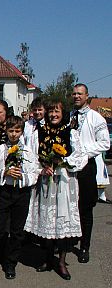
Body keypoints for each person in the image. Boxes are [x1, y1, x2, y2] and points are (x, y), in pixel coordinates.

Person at [24, 98, 87, 280]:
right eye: (51, 111)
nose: (53, 114)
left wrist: (64, 162)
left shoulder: (71, 131)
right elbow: (31, 156)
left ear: (62, 113)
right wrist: (41, 169)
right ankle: (47, 258)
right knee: (47, 222)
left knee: (62, 221)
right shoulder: (39, 132)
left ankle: (61, 262)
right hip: (45, 182)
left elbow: (81, 156)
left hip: (64, 183)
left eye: (57, 111)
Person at [0, 116, 39, 280]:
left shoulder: (28, 151)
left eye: (17, 131)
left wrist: (23, 176)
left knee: (16, 231)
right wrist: (5, 173)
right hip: (5, 192)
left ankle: (10, 263)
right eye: (11, 130)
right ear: (6, 131)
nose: (13, 134)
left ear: (21, 132)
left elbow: (34, 174)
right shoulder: (0, 150)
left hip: (21, 193)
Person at [69, 83, 110, 263]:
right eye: (74, 94)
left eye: (80, 94)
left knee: (85, 208)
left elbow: (105, 144)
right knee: (70, 207)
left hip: (87, 166)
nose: (76, 96)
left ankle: (85, 246)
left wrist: (83, 151)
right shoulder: (70, 116)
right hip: (70, 167)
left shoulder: (96, 118)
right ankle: (70, 238)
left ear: (87, 97)